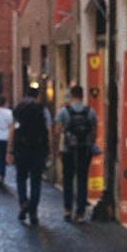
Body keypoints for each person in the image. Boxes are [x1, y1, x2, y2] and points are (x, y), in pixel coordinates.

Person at [6, 85, 53, 226]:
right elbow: (49, 130)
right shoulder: (43, 110)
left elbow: (12, 131)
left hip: (21, 149)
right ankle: (33, 212)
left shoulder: (18, 109)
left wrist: (9, 150)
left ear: (25, 95)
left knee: (21, 178)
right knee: (36, 181)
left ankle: (23, 203)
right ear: (38, 96)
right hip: (38, 150)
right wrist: (50, 149)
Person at [53, 85, 98, 223]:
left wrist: (57, 149)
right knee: (82, 180)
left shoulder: (64, 112)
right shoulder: (90, 112)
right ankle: (80, 213)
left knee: (67, 179)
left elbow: (57, 131)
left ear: (71, 95)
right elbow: (94, 131)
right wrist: (89, 144)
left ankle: (67, 210)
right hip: (84, 150)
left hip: (68, 150)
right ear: (83, 95)